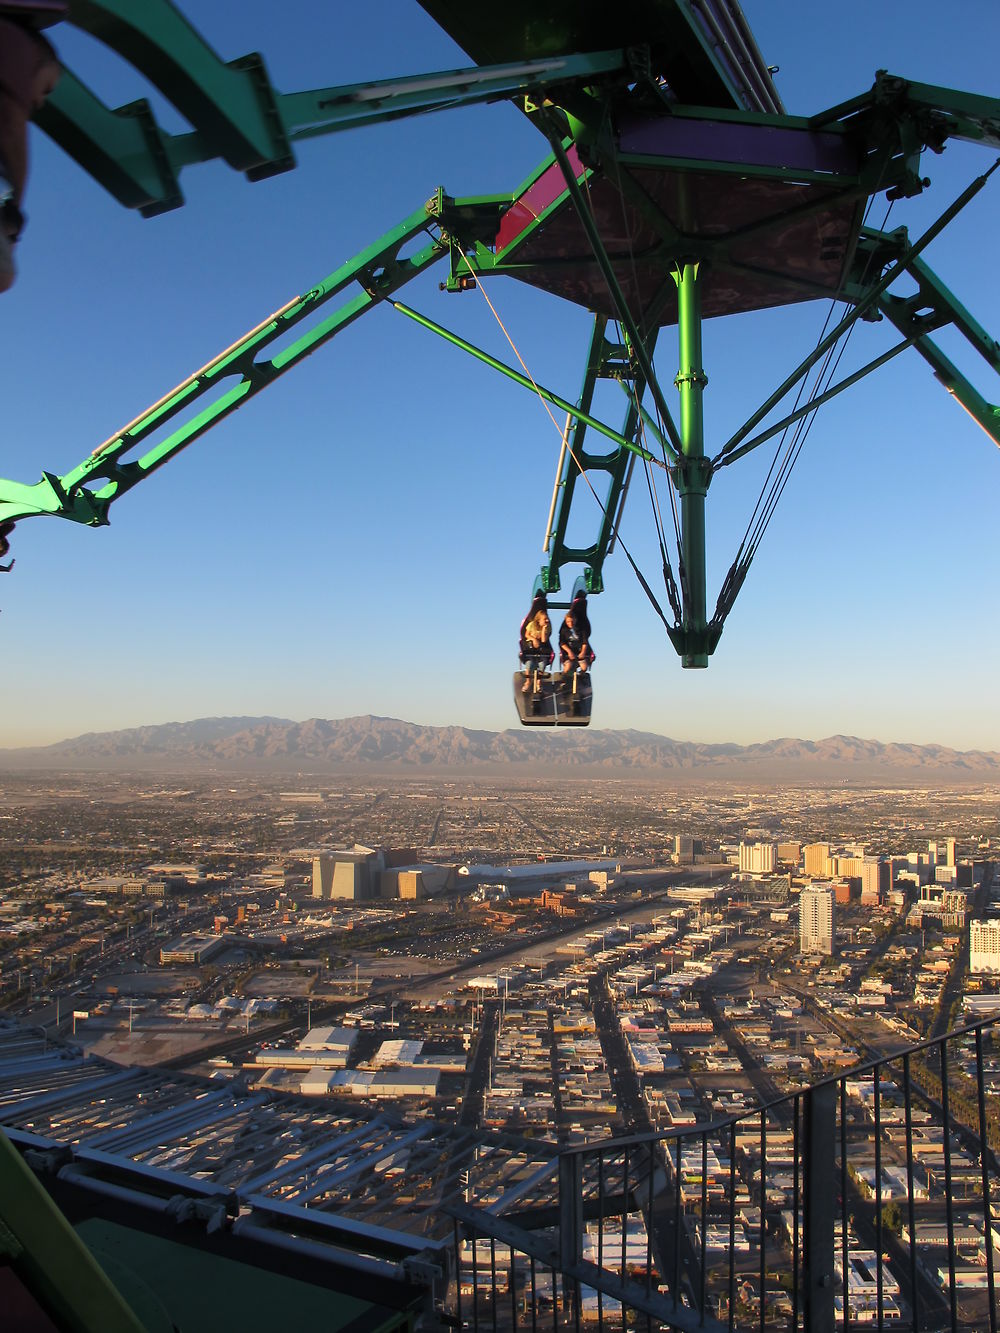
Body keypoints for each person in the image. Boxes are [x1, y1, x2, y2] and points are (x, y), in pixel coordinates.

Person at [0, 3, 65, 292]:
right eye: (46, 88)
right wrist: (13, 211)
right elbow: (12, 125)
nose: (40, 102)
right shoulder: (16, 42)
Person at [520, 607, 553, 693]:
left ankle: (538, 683)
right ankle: (527, 682)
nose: (547, 621)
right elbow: (526, 635)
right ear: (538, 620)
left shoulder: (547, 627)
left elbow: (543, 640)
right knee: (529, 663)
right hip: (530, 648)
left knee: (542, 663)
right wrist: (533, 639)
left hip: (541, 648)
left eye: (547, 619)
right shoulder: (531, 625)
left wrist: (544, 629)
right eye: (544, 619)